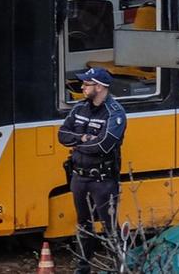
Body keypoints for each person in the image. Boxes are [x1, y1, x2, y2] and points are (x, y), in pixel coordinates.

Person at [58, 67, 128, 274]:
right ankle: (83, 268)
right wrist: (82, 138)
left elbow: (103, 146)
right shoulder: (79, 108)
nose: (82, 87)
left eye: (86, 84)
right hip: (79, 178)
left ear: (99, 87)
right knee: (83, 225)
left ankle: (116, 267)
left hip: (103, 181)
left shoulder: (115, 113)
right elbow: (62, 135)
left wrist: (78, 143)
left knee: (109, 228)